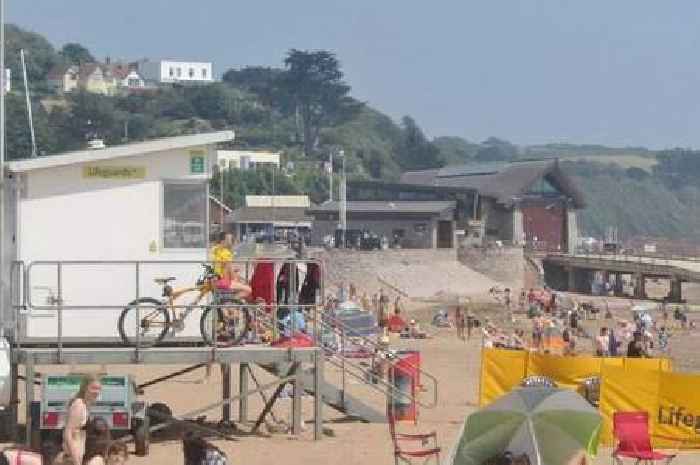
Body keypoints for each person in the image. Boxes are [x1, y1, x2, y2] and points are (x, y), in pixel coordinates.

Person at [63, 374, 102, 465]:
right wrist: (76, 460)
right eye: (93, 388)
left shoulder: (85, 405)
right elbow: (68, 432)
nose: (96, 392)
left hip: (78, 455)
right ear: (85, 388)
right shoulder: (79, 405)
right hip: (72, 457)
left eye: (98, 389)